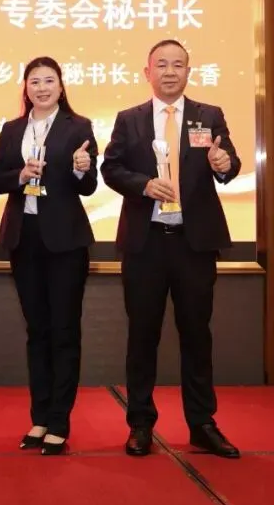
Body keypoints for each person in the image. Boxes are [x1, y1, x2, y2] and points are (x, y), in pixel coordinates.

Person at [100, 39, 242, 459]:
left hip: (193, 245)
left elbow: (229, 163)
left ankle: (202, 424)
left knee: (197, 335)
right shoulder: (130, 119)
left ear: (188, 72)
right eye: (161, 65)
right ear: (148, 72)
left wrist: (224, 165)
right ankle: (140, 424)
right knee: (142, 336)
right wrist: (142, 185)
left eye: (177, 65)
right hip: (145, 245)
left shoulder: (208, 116)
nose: (169, 72)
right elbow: (111, 168)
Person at [0, 57, 98, 455]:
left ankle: (59, 421)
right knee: (37, 331)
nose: (42, 88)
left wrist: (82, 168)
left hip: (65, 241)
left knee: (64, 330)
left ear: (61, 87)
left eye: (49, 81)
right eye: (34, 81)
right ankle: (39, 417)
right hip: (24, 238)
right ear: (26, 87)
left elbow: (88, 186)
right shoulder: (12, 129)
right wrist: (19, 176)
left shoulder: (78, 126)